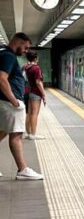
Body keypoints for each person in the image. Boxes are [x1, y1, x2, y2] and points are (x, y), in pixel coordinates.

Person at [0, 33, 44, 180]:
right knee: (16, 135)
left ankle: (22, 169)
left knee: (3, 131)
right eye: (25, 47)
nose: (26, 51)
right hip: (9, 103)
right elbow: (2, 79)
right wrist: (14, 101)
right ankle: (22, 169)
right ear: (18, 42)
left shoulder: (4, 53)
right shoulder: (9, 56)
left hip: (4, 102)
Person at [23, 51, 46, 140]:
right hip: (36, 93)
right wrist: (43, 94)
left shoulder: (26, 67)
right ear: (36, 58)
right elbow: (38, 82)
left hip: (28, 91)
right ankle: (33, 134)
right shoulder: (36, 68)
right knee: (34, 113)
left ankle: (28, 133)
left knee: (29, 113)